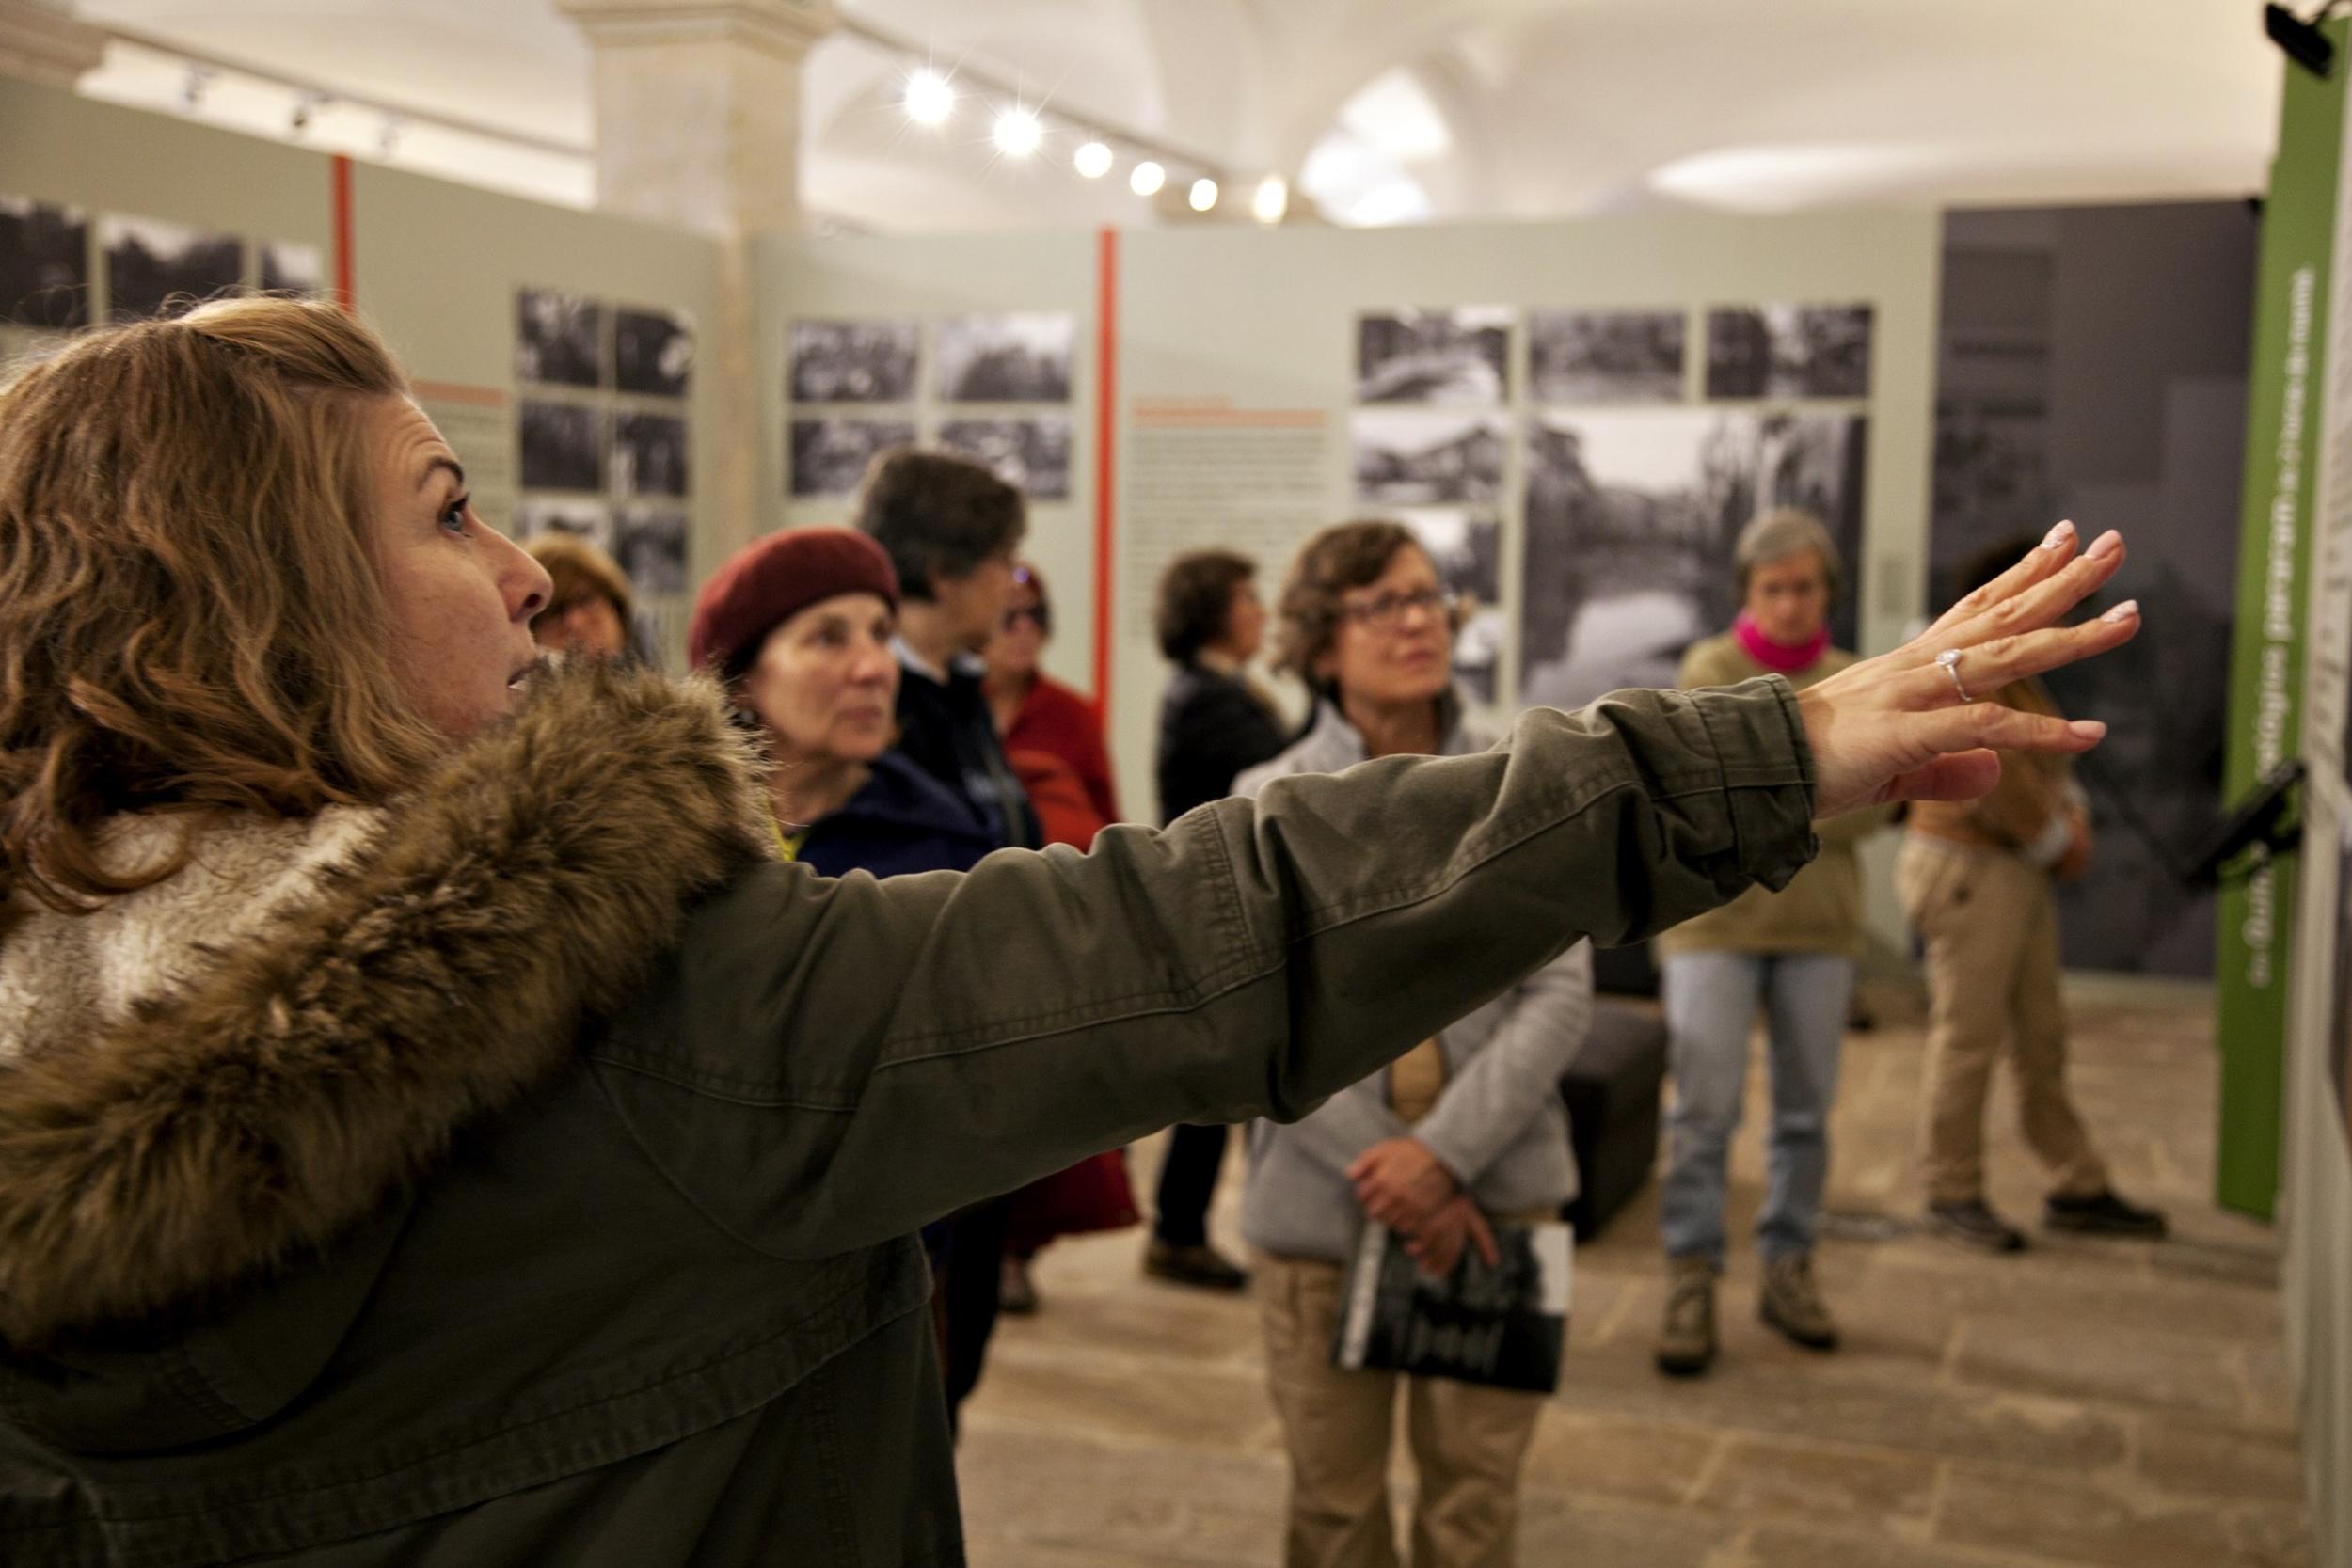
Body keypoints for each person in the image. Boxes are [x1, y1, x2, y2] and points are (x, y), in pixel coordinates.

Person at [0, 299, 2137, 1567]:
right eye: (446, 510)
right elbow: (1222, 922)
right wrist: (1764, 754)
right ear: (272, 606)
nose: (532, 581)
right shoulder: (649, 1025)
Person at [1234, 520, 1594, 1568]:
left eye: (1430, 597)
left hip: (1496, 1196)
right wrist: (1384, 1163)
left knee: (1473, 1509)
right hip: (1321, 1197)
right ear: (1316, 639)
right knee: (1334, 1512)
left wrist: (1441, 1160)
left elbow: (1560, 992)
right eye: (1380, 602)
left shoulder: (1525, 775)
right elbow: (1256, 1012)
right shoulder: (1267, 803)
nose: (1417, 620)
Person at [1649, 510, 1897, 1378]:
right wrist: (1820, 791)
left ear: (1827, 592)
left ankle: (1789, 1265)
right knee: (1703, 1109)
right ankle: (1690, 1272)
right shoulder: (1711, 669)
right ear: (1748, 594)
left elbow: (1877, 808)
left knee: (1804, 1113)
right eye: (1773, 589)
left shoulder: (1853, 678)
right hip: (1713, 925)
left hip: (1819, 927)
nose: (1790, 605)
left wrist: (1771, 798)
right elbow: (1705, 799)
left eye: (1805, 587)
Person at [1900, 538, 2169, 1252]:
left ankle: (2075, 1180)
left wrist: (2062, 828)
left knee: (2040, 1035)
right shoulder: (1971, 665)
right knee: (1968, 1039)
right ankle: (1949, 1189)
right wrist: (2064, 841)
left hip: (2007, 869)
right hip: (1971, 869)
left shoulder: (2011, 662)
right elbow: (2003, 779)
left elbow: (2043, 761)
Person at [980, 562, 1138, 1317]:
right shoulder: (942, 706)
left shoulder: (1070, 714)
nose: (1024, 629)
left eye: (1036, 613)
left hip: (1046, 934)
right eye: (1008, 614)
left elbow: (1106, 820)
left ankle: (1017, 1247)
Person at [1144, 548, 1292, 1291]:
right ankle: (1177, 1231)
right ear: (1212, 612)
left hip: (1217, 907)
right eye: (1246, 598)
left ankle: (1180, 1227)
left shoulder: (1216, 688)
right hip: (1213, 915)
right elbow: (1291, 776)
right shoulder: (1208, 699)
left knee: (1217, 1080)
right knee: (1215, 1082)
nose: (1260, 612)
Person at [853, 448, 1042, 853]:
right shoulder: (874, 698)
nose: (1013, 584)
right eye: (1005, 560)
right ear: (942, 572)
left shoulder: (960, 688)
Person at [526, 531, 642, 664]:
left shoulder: (651, 682)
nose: (575, 622)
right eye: (555, 611)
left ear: (617, 608)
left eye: (586, 601)